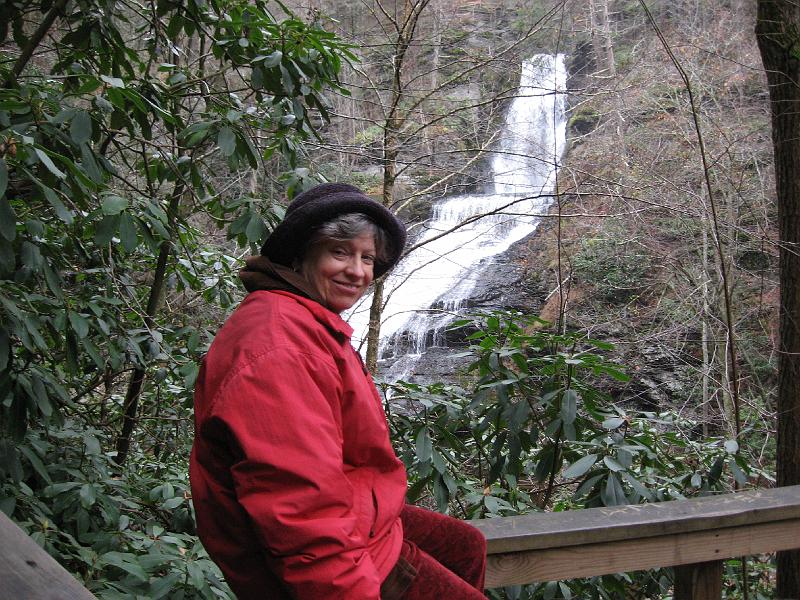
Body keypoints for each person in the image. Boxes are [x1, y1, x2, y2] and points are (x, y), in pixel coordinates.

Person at [190, 183, 487, 599]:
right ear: (300, 253)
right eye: (340, 252)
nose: (359, 272)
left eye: (368, 258)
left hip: (356, 512)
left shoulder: (306, 319)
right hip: (334, 557)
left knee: (465, 544)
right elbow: (300, 510)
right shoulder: (281, 347)